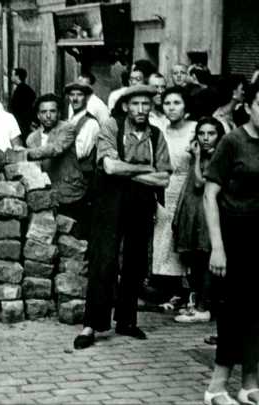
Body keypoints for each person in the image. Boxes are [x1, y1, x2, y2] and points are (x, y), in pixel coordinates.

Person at [74, 85, 172, 350]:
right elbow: (109, 166)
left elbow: (164, 177)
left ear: (151, 107)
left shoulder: (156, 135)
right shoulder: (112, 127)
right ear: (126, 106)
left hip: (141, 203)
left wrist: (126, 171)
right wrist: (142, 169)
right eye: (135, 104)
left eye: (146, 104)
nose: (141, 110)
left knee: (136, 261)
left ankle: (127, 321)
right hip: (110, 201)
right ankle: (91, 325)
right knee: (103, 260)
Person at [202, 80, 259, 405]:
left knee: (257, 311)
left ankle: (250, 383)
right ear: (248, 106)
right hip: (234, 237)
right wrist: (218, 247)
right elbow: (210, 195)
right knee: (234, 312)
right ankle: (216, 387)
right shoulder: (232, 142)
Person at [172, 117, 225, 324]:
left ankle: (204, 307)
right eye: (202, 133)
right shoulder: (202, 154)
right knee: (195, 259)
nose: (205, 138)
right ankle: (198, 303)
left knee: (205, 259)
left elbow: (199, 183)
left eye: (211, 134)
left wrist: (195, 158)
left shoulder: (218, 157)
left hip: (207, 214)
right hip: (193, 212)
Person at [151, 87, 196, 307]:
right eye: (167, 103)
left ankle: (193, 291)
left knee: (186, 236)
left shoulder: (196, 129)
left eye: (176, 103)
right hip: (164, 187)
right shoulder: (160, 130)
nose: (171, 107)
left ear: (186, 106)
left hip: (189, 188)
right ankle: (172, 289)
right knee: (164, 238)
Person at [25, 93, 88, 224]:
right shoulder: (31, 138)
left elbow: (56, 148)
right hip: (45, 197)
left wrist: (26, 153)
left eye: (52, 111)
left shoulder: (67, 128)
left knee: (72, 239)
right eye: (43, 112)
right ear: (38, 115)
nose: (48, 115)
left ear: (59, 113)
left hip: (69, 194)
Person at [65, 81, 102, 225]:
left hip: (82, 181)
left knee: (78, 223)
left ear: (86, 98)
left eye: (79, 95)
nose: (75, 98)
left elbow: (79, 152)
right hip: (69, 178)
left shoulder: (90, 123)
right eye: (72, 95)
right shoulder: (71, 120)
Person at [9, 67, 37, 143]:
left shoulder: (21, 90)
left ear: (17, 76)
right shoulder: (27, 89)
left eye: (12, 75)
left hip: (21, 123)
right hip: (24, 122)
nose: (11, 77)